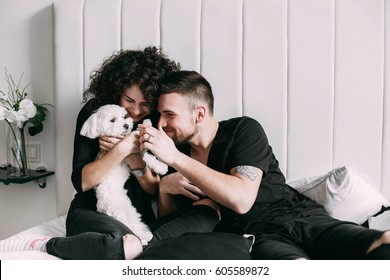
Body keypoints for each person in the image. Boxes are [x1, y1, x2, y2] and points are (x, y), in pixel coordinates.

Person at [138, 70, 390, 260]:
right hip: (256, 237)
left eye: (169, 115)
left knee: (382, 243)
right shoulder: (175, 151)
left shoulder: (242, 130)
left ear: (200, 114)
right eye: (159, 115)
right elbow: (175, 230)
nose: (161, 124)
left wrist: (175, 159)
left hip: (301, 219)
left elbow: (242, 198)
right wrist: (164, 191)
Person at [0, 48, 219, 259]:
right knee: (127, 246)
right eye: (129, 100)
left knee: (148, 244)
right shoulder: (99, 114)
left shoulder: (157, 122)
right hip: (91, 210)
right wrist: (122, 148)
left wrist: (134, 160)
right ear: (117, 91)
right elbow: (83, 182)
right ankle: (47, 245)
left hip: (137, 215)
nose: (135, 110)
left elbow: (155, 189)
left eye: (145, 104)